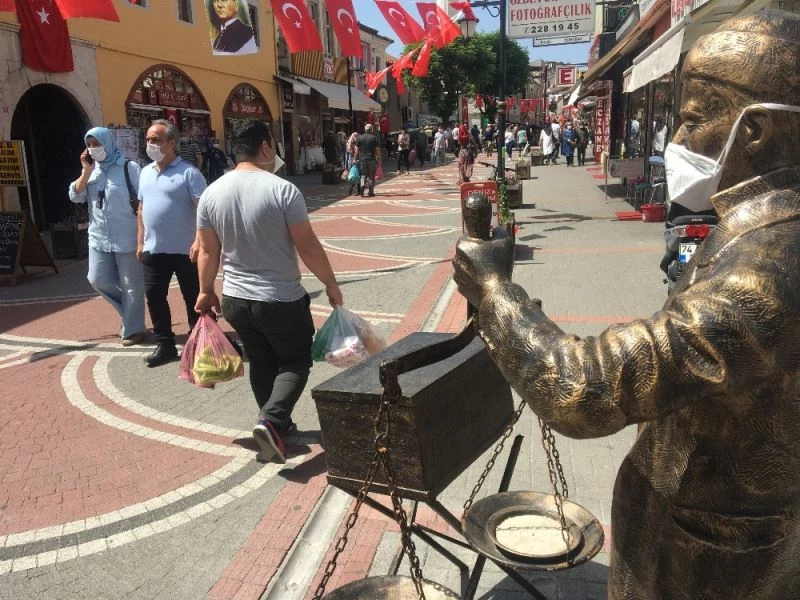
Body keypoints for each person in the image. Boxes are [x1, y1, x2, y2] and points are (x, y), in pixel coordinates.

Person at [453, 10, 800, 598]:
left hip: (703, 566)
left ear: (756, 133)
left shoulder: (768, 275)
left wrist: (494, 295)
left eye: (691, 121)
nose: (678, 143)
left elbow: (585, 389)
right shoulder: (755, 230)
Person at [195, 119, 342, 463]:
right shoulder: (282, 190)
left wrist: (205, 290)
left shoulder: (211, 193)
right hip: (279, 299)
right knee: (295, 360)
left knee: (261, 359)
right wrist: (330, 283)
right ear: (264, 147)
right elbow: (307, 245)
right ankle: (272, 421)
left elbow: (206, 250)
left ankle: (277, 425)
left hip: (235, 300)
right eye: (273, 144)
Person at [137, 119, 207, 367]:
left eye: (155, 140)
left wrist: (199, 240)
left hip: (186, 250)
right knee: (154, 295)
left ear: (171, 143)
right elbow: (142, 209)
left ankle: (201, 342)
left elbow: (204, 211)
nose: (150, 144)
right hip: (154, 249)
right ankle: (165, 344)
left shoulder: (189, 173)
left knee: (194, 298)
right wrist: (140, 242)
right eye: (148, 139)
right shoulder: (145, 172)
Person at [68, 127, 146, 347]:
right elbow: (75, 196)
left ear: (109, 143)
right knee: (97, 279)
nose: (94, 149)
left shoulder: (129, 168)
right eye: (90, 145)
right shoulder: (92, 171)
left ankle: (133, 330)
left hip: (127, 236)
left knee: (132, 285)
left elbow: (143, 201)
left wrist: (143, 237)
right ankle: (130, 314)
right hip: (99, 237)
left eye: (97, 144)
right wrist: (85, 171)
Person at [354, 123, 380, 197]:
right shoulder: (374, 138)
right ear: (371, 130)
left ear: (365, 130)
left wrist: (355, 159)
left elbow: (357, 149)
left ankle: (362, 190)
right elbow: (377, 150)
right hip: (371, 159)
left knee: (363, 176)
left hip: (362, 160)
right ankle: (370, 191)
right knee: (371, 176)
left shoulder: (360, 138)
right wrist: (379, 159)